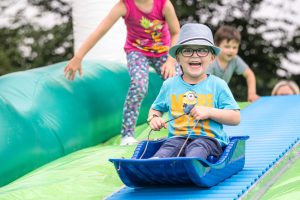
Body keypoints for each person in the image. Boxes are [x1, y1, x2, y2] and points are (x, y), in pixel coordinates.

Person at [64, 0, 180, 145]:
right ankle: (127, 135)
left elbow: (176, 32)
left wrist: (171, 60)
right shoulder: (124, 6)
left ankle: (184, 123)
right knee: (139, 85)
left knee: (179, 82)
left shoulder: (163, 4)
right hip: (137, 52)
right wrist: (78, 57)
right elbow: (99, 31)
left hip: (164, 52)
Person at [147, 23, 240, 159]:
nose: (195, 55)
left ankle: (190, 165)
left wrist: (209, 111)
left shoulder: (218, 85)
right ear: (178, 58)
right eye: (187, 50)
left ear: (212, 58)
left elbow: (235, 118)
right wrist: (154, 118)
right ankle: (155, 166)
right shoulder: (170, 85)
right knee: (166, 151)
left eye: (202, 50)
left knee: (198, 148)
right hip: (176, 139)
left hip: (208, 140)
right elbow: (156, 109)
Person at [206, 25, 260, 102]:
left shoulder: (235, 60)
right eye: (227, 47)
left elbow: (249, 74)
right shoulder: (210, 61)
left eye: (234, 47)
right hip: (205, 95)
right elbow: (203, 84)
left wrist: (252, 94)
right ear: (216, 46)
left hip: (220, 96)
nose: (231, 50)